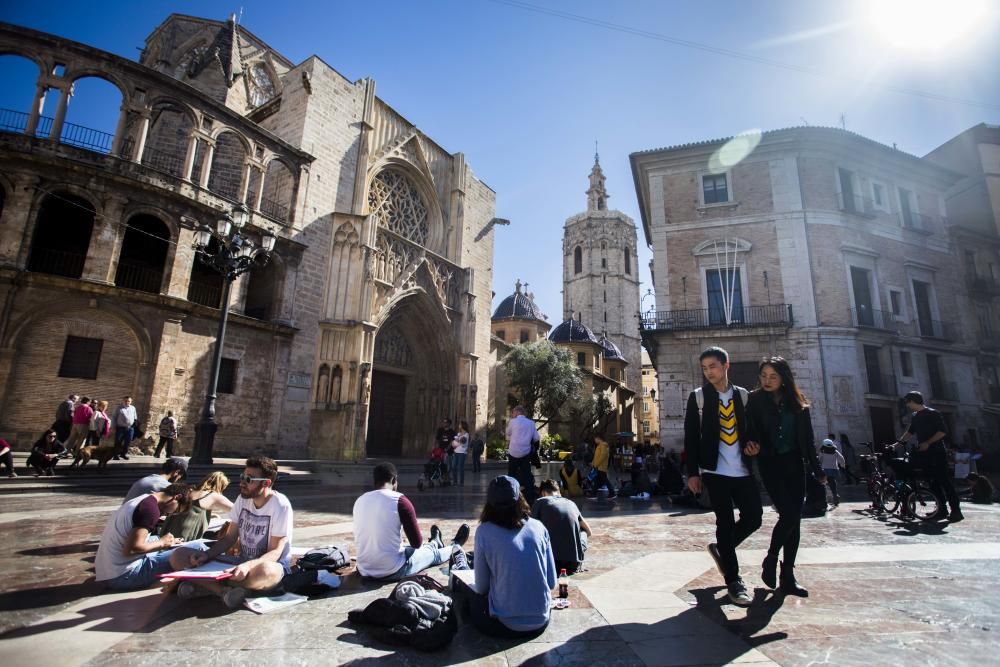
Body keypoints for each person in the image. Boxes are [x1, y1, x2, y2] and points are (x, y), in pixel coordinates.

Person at [684, 346, 761, 607]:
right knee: (725, 522)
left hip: (742, 470)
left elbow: (752, 430)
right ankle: (734, 581)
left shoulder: (744, 396)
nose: (708, 372)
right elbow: (691, 438)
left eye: (713, 366)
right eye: (704, 368)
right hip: (714, 470)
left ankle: (721, 549)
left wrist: (754, 445)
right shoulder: (698, 398)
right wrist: (693, 473)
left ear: (726, 365)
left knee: (754, 517)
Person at [745, 357, 825, 597]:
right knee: (789, 513)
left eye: (773, 376)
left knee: (795, 520)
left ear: (784, 378)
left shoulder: (799, 404)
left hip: (794, 464)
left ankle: (787, 576)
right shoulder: (754, 400)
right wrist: (752, 446)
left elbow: (808, 441)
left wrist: (818, 470)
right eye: (763, 376)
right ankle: (771, 558)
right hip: (770, 463)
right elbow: (749, 430)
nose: (767, 381)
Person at [170, 456, 294, 608]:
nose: (242, 482)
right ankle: (225, 591)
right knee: (178, 555)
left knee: (267, 572)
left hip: (264, 566)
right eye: (243, 477)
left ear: (266, 483)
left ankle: (206, 587)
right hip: (239, 564)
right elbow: (229, 538)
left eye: (249, 479)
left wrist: (248, 566)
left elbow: (275, 552)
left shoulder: (281, 505)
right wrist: (206, 555)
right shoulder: (243, 499)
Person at [451, 475, 556, 638]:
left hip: (503, 624)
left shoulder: (484, 532)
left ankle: (459, 564)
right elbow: (551, 582)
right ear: (520, 499)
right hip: (541, 620)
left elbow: (482, 588)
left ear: (489, 504)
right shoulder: (539, 527)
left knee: (468, 591)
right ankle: (460, 561)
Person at [353, 461, 469, 580]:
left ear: (375, 481)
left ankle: (435, 543)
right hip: (393, 570)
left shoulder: (360, 500)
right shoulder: (400, 501)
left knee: (407, 549)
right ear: (394, 480)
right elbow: (417, 543)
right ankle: (455, 546)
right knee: (432, 555)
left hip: (364, 569)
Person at [94, 483, 192, 590]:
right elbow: (131, 549)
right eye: (176, 510)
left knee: (158, 540)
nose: (170, 514)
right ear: (176, 497)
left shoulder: (144, 499)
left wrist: (167, 542)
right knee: (190, 552)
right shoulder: (150, 511)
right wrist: (162, 543)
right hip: (123, 576)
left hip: (106, 572)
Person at [895, 391, 963, 522]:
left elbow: (942, 431)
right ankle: (941, 510)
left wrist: (928, 442)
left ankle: (956, 511)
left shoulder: (933, 413)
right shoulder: (915, 416)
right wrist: (897, 444)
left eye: (908, 402)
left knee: (944, 482)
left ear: (913, 401)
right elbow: (909, 432)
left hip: (937, 453)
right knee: (932, 483)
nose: (908, 405)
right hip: (925, 455)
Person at [532, 478, 592, 574]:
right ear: (559, 491)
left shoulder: (540, 502)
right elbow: (589, 531)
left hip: (550, 562)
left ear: (543, 493)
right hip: (573, 564)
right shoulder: (571, 503)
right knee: (582, 531)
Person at [159, 471, 234, 542]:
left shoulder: (188, 490)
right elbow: (236, 510)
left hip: (166, 534)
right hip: (184, 539)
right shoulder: (213, 496)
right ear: (221, 486)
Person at [506, 405, 540, 504]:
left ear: (517, 412)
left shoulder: (513, 421)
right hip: (525, 453)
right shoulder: (531, 423)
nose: (512, 415)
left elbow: (508, 433)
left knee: (512, 474)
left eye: (513, 413)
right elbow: (536, 438)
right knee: (527, 475)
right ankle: (529, 498)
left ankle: (511, 495)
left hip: (513, 452)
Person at [818, 439, 846, 505]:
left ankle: (826, 497)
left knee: (824, 483)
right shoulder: (835, 452)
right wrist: (843, 465)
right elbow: (841, 458)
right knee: (832, 482)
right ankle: (835, 495)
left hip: (825, 469)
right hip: (834, 469)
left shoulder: (822, 452)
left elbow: (819, 459)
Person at [113, 396, 138, 460]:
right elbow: (114, 417)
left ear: (131, 402)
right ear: (123, 401)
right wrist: (113, 427)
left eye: (129, 401)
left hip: (130, 428)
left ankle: (123, 454)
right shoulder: (119, 408)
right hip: (120, 428)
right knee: (118, 442)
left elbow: (135, 417)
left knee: (128, 442)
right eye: (126, 401)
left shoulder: (133, 408)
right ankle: (115, 455)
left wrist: (133, 426)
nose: (127, 402)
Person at [452, 421, 470, 486]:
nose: (459, 425)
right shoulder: (458, 433)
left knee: (460, 467)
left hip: (462, 453)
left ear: (462, 425)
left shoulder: (466, 434)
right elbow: (455, 442)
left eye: (460, 424)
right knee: (453, 467)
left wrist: (457, 440)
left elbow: (463, 441)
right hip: (456, 452)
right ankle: (455, 481)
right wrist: (454, 442)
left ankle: (461, 482)